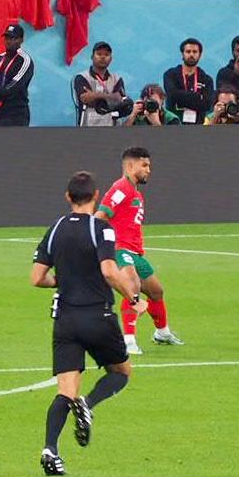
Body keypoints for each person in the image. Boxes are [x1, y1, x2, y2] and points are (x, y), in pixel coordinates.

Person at [30, 171, 147, 476]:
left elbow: (37, 278)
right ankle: (89, 403)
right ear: (96, 197)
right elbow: (109, 272)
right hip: (97, 315)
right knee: (121, 372)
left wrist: (65, 280)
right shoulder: (102, 228)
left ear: (68, 198)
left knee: (64, 390)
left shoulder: (54, 228)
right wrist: (134, 299)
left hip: (65, 319)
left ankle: (50, 451)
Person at [95, 147, 184, 355]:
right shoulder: (120, 188)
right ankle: (128, 340)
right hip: (119, 249)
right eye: (144, 165)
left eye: (149, 165)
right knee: (131, 285)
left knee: (156, 291)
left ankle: (162, 333)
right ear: (130, 166)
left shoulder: (134, 192)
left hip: (135, 251)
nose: (148, 170)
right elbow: (100, 215)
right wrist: (97, 243)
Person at [0, 24, 34, 127]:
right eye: (7, 37)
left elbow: (11, 89)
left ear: (21, 40)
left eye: (13, 38)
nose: (9, 41)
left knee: (13, 143)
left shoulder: (24, 61)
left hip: (16, 114)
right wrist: (0, 91)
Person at [72, 41, 132, 127]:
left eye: (106, 55)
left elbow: (119, 100)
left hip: (113, 129)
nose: (103, 57)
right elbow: (85, 99)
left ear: (111, 59)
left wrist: (95, 95)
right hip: (87, 129)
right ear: (92, 57)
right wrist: (111, 97)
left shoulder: (117, 79)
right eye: (99, 54)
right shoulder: (81, 77)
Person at [163, 38, 215, 125]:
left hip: (199, 125)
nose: (191, 54)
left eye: (195, 52)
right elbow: (172, 95)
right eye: (188, 51)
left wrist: (181, 97)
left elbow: (207, 104)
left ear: (200, 55)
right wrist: (198, 97)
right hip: (174, 125)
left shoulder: (207, 79)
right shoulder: (170, 75)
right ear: (182, 54)